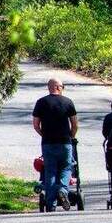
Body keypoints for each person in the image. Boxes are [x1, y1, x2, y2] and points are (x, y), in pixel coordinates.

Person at [32, 78, 78, 211]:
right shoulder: (68, 102)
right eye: (62, 86)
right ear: (58, 87)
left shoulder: (41, 102)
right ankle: (63, 190)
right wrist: (71, 137)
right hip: (65, 142)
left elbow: (36, 125)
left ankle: (50, 204)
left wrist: (44, 135)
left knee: (50, 171)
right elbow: (75, 124)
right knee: (66, 168)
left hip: (48, 143)